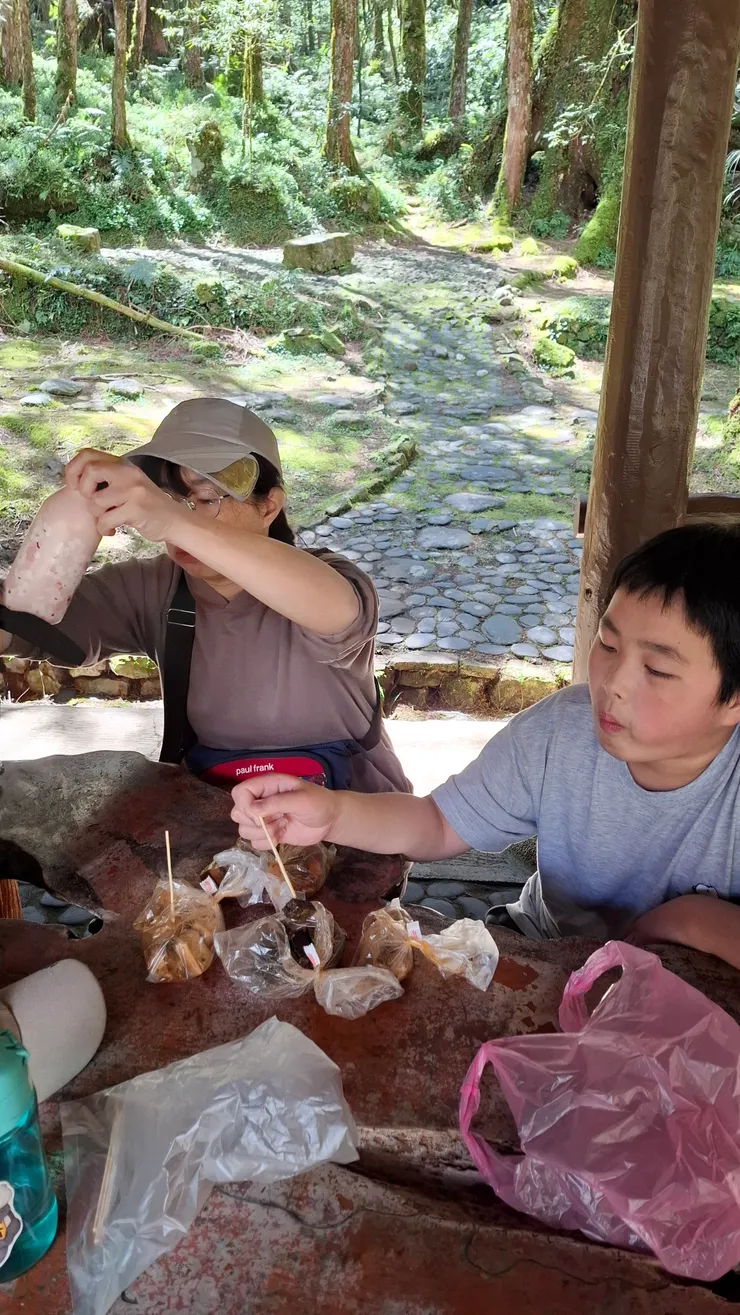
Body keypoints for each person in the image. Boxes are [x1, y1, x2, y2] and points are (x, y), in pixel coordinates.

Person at [232, 523, 740, 971]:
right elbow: (438, 823)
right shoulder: (559, 733)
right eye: (608, 645)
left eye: (658, 669)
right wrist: (332, 815)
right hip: (549, 954)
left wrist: (692, 920)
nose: (614, 683)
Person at [0, 398, 410, 794]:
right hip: (217, 825)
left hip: (351, 824)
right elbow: (27, 626)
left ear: (269, 506)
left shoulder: (323, 578)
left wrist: (173, 518)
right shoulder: (156, 587)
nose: (182, 515)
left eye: (207, 498)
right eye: (171, 497)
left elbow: (335, 608)